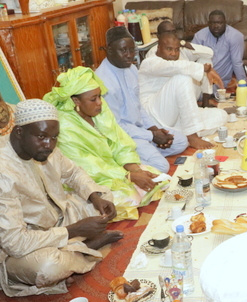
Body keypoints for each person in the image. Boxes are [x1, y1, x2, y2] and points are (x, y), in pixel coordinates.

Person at [0, 99, 123, 296]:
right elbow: (14, 243)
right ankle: (83, 248)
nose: (49, 144)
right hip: (3, 251)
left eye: (54, 137)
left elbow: (73, 173)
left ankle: (73, 250)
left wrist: (95, 196)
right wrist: (74, 230)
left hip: (52, 221)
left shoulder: (44, 147)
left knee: (105, 195)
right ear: (19, 132)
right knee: (49, 267)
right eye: (42, 137)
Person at [43, 66, 162, 221]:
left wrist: (134, 169)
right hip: (90, 180)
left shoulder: (99, 109)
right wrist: (128, 176)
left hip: (115, 170)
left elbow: (120, 141)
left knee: (157, 178)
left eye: (100, 96)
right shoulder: (64, 125)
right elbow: (88, 167)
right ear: (75, 100)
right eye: (93, 99)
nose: (100, 102)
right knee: (130, 198)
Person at [95, 26, 187, 172]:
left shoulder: (131, 69)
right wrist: (151, 136)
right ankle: (126, 160)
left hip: (140, 130)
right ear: (110, 50)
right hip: (122, 136)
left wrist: (155, 130)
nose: (129, 55)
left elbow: (139, 107)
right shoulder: (104, 82)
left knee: (181, 140)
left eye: (132, 50)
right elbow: (116, 127)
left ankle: (146, 152)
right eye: (123, 50)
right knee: (162, 166)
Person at [139, 32, 226, 149]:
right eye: (169, 49)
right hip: (154, 114)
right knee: (182, 78)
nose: (173, 53)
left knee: (221, 115)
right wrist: (205, 68)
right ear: (158, 48)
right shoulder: (149, 62)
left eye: (176, 50)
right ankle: (191, 135)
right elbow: (174, 67)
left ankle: (177, 134)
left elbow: (204, 54)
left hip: (175, 117)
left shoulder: (177, 60)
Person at [192, 9, 246, 87]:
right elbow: (191, 59)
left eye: (220, 23)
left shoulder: (235, 36)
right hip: (200, 79)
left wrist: (243, 84)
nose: (216, 26)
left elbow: (237, 62)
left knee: (208, 93)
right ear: (208, 24)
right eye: (213, 23)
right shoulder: (199, 36)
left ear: (225, 23)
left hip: (220, 81)